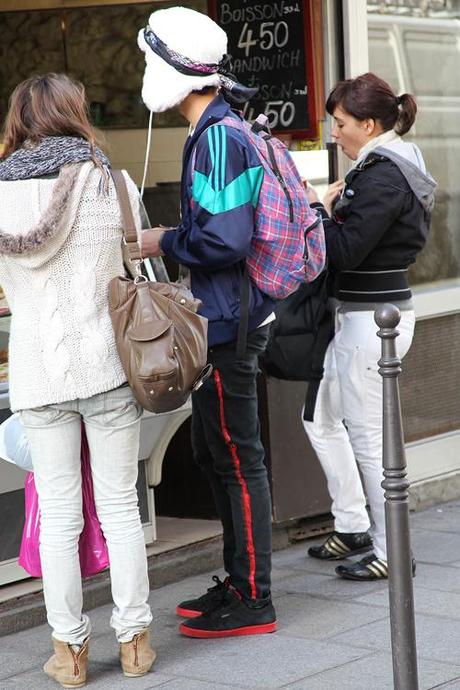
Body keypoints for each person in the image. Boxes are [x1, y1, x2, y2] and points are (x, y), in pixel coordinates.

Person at [0, 74, 156, 687]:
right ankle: (136, 641)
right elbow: (134, 262)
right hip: (109, 367)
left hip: (39, 374)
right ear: (75, 114)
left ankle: (69, 653)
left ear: (19, 120)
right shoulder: (111, 183)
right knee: (121, 508)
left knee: (60, 516)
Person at [139, 6, 277, 637]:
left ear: (175, 70)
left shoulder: (218, 136)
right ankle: (240, 582)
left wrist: (161, 240)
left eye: (151, 58)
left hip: (229, 319)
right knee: (218, 450)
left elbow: (224, 240)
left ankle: (253, 598)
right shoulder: (219, 129)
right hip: (230, 315)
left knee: (235, 457)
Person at [303, 73, 435, 581]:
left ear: (369, 123)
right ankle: (354, 525)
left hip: (372, 321)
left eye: (339, 124)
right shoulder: (393, 162)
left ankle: (391, 550)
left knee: (369, 439)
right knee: (319, 418)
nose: (333, 133)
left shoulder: (381, 175)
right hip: (361, 316)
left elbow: (342, 250)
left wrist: (319, 207)